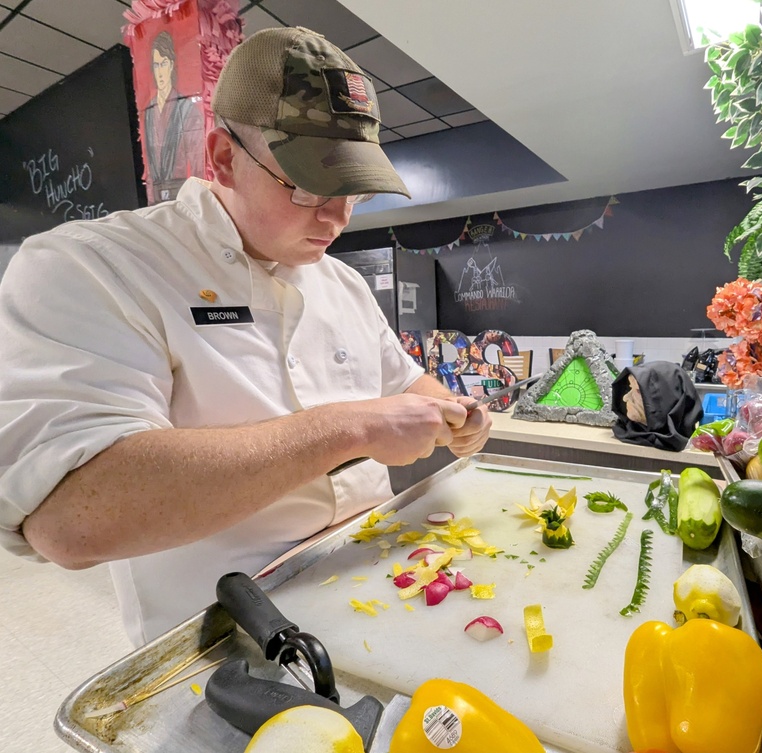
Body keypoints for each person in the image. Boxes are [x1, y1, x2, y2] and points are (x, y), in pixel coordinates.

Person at [0, 27, 491, 647]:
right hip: (225, 651)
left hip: (383, 597)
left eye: (354, 190)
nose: (338, 218)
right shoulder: (90, 266)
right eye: (310, 185)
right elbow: (72, 519)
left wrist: (456, 411)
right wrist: (351, 428)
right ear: (224, 158)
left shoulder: (340, 282)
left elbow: (401, 384)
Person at [144, 30, 206, 204]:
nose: (160, 71)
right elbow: (149, 166)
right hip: (156, 202)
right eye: (156, 65)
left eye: (163, 63)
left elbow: (198, 165)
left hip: (183, 199)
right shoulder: (149, 111)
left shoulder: (187, 109)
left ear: (171, 65)